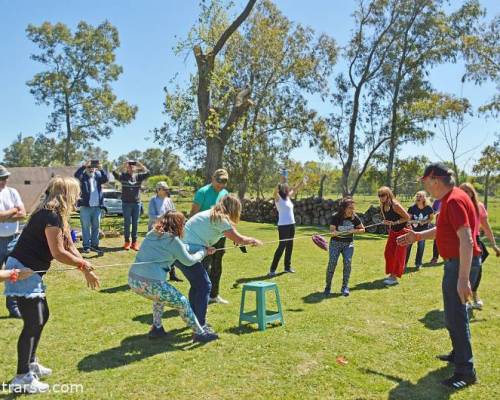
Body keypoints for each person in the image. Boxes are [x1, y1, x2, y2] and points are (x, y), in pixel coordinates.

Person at [3, 176, 100, 394]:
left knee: (41, 317)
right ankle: (22, 376)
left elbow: (69, 245)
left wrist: (84, 266)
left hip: (31, 271)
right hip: (22, 270)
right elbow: (58, 253)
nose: (79, 196)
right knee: (33, 322)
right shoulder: (50, 215)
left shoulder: (56, 215)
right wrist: (82, 264)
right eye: (76, 192)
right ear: (67, 193)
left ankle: (31, 363)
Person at [397, 163, 481, 390]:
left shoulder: (453, 200)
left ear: (434, 179)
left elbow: (466, 240)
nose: (426, 187)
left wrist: (463, 279)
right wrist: (417, 236)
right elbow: (443, 230)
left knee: (456, 316)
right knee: (454, 315)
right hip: (456, 264)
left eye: (425, 182)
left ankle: (466, 371)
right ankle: (458, 355)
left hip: (459, 265)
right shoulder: (454, 197)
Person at [129, 211, 219, 343]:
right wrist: (203, 252)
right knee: (182, 302)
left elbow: (184, 247)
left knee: (159, 298)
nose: (184, 225)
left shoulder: (152, 233)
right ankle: (200, 333)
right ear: (178, 224)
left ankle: (157, 328)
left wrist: (201, 248)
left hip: (133, 280)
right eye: (183, 223)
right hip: (151, 284)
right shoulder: (173, 240)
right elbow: (189, 261)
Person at [177, 195, 262, 332]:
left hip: (180, 250)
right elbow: (239, 238)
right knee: (205, 285)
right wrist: (253, 240)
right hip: (189, 251)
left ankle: (193, 319)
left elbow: (222, 233)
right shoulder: (221, 218)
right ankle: (201, 326)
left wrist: (236, 239)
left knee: (198, 285)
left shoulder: (213, 215)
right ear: (234, 209)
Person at [189, 169, 229, 304]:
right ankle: (200, 296)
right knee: (204, 266)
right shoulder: (202, 192)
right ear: (213, 178)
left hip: (220, 235)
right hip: (204, 237)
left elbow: (226, 215)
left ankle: (214, 295)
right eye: (219, 181)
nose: (221, 185)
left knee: (218, 265)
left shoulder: (225, 194)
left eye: (224, 182)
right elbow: (193, 215)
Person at [459, 182, 500, 310]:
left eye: (468, 191)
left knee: (477, 270)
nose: (466, 194)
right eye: (463, 191)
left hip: (475, 240)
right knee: (461, 270)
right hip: (460, 240)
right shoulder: (457, 206)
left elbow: (486, 227)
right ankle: (463, 300)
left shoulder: (479, 207)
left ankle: (474, 296)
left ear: (472, 193)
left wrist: (493, 245)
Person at [324, 197, 365, 297]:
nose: (352, 210)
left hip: (348, 244)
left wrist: (354, 231)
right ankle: (328, 286)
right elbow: (331, 232)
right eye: (350, 208)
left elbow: (363, 229)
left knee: (347, 263)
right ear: (344, 208)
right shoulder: (336, 217)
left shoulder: (355, 218)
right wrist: (336, 233)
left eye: (353, 208)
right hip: (335, 244)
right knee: (332, 263)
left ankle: (345, 287)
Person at [0, 165, 26, 318]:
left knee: (13, 275)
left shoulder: (12, 192)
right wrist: (13, 211)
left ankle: (13, 307)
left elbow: (23, 213)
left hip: (13, 239)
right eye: (2, 178)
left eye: (5, 177)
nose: (5, 180)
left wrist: (5, 215)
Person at [268, 177, 307, 277]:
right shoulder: (278, 198)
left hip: (291, 224)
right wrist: (279, 183)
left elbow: (295, 189)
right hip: (283, 226)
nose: (288, 188)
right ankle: (272, 269)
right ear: (282, 189)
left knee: (290, 246)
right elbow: (274, 191)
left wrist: (301, 182)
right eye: (286, 187)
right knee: (281, 247)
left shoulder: (287, 198)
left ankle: (287, 267)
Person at [147, 181, 182, 282]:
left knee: (170, 252)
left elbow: (173, 213)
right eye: (164, 189)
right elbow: (152, 217)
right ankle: (153, 275)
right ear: (158, 190)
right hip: (156, 230)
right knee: (156, 253)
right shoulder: (153, 200)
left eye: (167, 189)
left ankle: (172, 274)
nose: (167, 191)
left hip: (168, 229)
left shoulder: (169, 200)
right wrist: (165, 216)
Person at [112, 160, 150, 251]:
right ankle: (127, 242)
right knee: (127, 223)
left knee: (135, 223)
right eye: (129, 166)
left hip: (136, 203)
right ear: (127, 168)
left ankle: (134, 243)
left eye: (133, 166)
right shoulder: (123, 176)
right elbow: (114, 172)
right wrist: (122, 165)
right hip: (126, 203)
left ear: (135, 168)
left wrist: (140, 164)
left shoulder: (139, 176)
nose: (131, 167)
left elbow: (148, 173)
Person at [74, 160, 109, 254]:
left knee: (96, 227)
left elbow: (106, 179)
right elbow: (76, 175)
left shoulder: (98, 176)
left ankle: (95, 245)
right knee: (85, 227)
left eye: (93, 167)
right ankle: (86, 246)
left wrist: (101, 169)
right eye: (89, 167)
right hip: (85, 207)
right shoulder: (83, 177)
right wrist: (84, 166)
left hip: (97, 207)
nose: (91, 169)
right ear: (86, 168)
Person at [377, 186, 410, 286]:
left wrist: (396, 222)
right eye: (379, 196)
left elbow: (407, 217)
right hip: (393, 231)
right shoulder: (382, 206)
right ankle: (391, 273)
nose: (381, 197)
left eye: (383, 195)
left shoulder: (395, 205)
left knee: (399, 255)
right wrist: (386, 222)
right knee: (388, 252)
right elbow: (387, 219)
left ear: (388, 195)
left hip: (403, 230)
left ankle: (394, 277)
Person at [405, 191, 434, 272]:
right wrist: (413, 222)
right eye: (417, 196)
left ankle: (418, 263)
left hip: (423, 231)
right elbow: (408, 220)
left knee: (421, 246)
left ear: (424, 198)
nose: (418, 197)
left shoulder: (428, 208)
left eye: (420, 196)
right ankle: (404, 263)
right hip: (412, 230)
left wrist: (424, 222)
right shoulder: (412, 208)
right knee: (408, 247)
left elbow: (431, 218)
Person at [430, 198, 441, 264]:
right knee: (436, 240)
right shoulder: (437, 201)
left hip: (450, 224)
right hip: (438, 224)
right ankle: (435, 257)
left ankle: (449, 257)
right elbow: (432, 211)